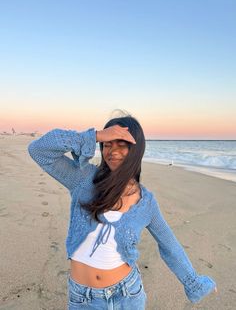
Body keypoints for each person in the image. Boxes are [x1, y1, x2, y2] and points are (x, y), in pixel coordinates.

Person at [28, 114, 217, 309]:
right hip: (83, 298)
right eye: (107, 144)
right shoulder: (82, 178)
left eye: (121, 144)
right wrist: (95, 136)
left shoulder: (146, 202)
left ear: (136, 150)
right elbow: (39, 150)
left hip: (128, 294)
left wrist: (194, 282)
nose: (112, 151)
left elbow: (169, 244)